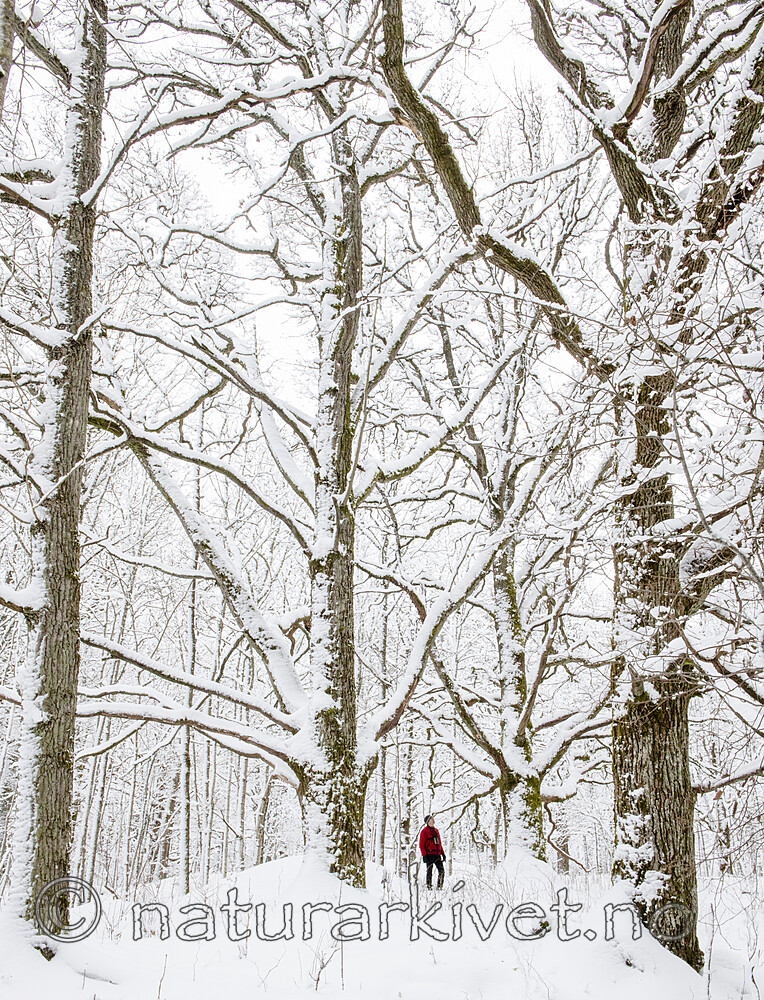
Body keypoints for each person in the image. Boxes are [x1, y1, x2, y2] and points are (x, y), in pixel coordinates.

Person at [418, 814, 446, 889]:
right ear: (427, 821)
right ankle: (429, 886)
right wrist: (424, 855)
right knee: (429, 871)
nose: (433, 820)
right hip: (429, 854)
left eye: (433, 819)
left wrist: (443, 853)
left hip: (437, 854)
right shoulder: (424, 831)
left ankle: (440, 886)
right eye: (431, 819)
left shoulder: (436, 830)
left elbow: (439, 843)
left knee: (441, 870)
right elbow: (421, 844)